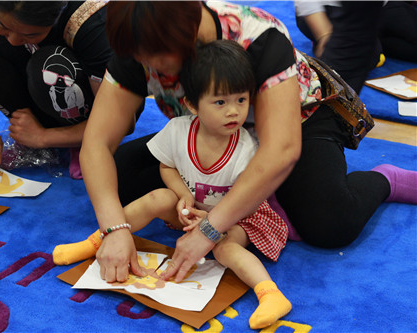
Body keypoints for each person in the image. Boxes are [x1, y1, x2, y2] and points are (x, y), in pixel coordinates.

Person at [79, 1, 417, 285]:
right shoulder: (140, 49)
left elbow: (281, 149)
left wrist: (208, 230)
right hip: (211, 131)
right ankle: (257, 198)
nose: (149, 67)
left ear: (191, 30)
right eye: (141, 58)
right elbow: (96, 143)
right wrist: (115, 228)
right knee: (119, 179)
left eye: (158, 59)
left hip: (295, 120)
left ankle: (386, 179)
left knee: (330, 223)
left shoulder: (260, 37)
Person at [54, 40, 292, 329]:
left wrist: (211, 224)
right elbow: (166, 166)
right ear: (191, 104)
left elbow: (250, 196)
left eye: (241, 100)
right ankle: (98, 240)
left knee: (223, 249)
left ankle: (269, 293)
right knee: (157, 197)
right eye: (220, 102)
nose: (233, 112)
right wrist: (182, 196)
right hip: (191, 212)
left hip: (238, 218)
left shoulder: (246, 148)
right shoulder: (179, 130)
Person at [0, 1, 116, 178]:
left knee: (50, 66)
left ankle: (80, 138)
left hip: (89, 102)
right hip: (36, 87)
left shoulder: (93, 22)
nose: (13, 41)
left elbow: (120, 118)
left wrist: (44, 137)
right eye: (2, 25)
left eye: (31, 34)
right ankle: (30, 126)